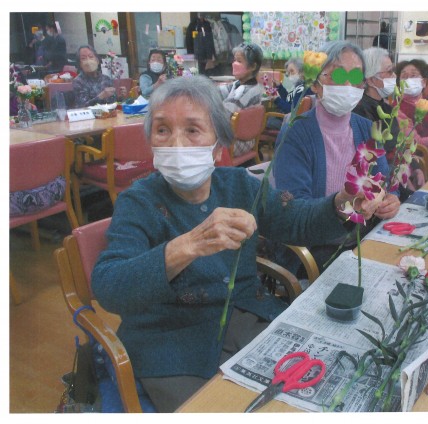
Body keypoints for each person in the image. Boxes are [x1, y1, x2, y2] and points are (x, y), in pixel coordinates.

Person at [91, 75, 382, 412]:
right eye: (162, 130)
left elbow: (295, 220)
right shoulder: (138, 201)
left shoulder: (238, 185)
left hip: (246, 316)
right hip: (170, 342)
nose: (176, 143)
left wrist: (343, 203)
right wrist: (188, 245)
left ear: (218, 146)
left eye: (192, 130)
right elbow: (109, 285)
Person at [273, 40, 401, 272]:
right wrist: (339, 205)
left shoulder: (366, 128)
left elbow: (384, 181)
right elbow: (294, 210)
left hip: (362, 236)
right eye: (339, 75)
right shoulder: (296, 132)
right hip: (315, 246)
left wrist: (390, 199)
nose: (348, 85)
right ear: (316, 83)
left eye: (356, 77)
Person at [353, 47, 424, 195]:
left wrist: (415, 167)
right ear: (371, 79)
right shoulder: (360, 112)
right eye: (389, 71)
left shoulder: (387, 108)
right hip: (378, 183)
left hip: (395, 174)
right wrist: (400, 177)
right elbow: (376, 159)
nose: (394, 76)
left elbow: (399, 145)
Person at [218, 42, 265, 158]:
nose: (234, 64)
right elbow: (221, 91)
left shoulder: (243, 92)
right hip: (248, 140)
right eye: (234, 60)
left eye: (239, 61)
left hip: (236, 143)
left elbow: (223, 115)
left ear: (253, 66)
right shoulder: (244, 85)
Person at [264, 57, 314, 131]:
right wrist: (280, 87)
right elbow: (289, 101)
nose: (290, 75)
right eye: (288, 73)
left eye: (292, 71)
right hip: (299, 123)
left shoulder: (302, 89)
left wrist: (277, 100)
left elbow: (291, 111)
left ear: (302, 72)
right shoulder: (304, 85)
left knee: (264, 120)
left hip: (292, 124)